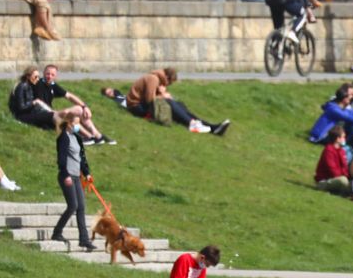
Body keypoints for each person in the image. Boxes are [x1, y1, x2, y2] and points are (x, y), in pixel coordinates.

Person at [101, 68, 230, 135]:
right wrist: (163, 95)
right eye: (170, 82)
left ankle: (211, 127)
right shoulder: (153, 79)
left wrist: (163, 95)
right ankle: (192, 124)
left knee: (179, 105)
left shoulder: (156, 79)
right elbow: (149, 99)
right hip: (137, 108)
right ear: (167, 78)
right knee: (170, 102)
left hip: (142, 105)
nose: (168, 85)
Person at [49, 112, 96, 253]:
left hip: (76, 177)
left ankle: (84, 240)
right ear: (69, 123)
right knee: (73, 206)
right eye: (76, 123)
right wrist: (65, 174)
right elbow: (61, 158)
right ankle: (57, 233)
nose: (78, 126)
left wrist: (86, 173)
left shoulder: (76, 138)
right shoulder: (63, 138)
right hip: (67, 176)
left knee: (81, 207)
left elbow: (80, 158)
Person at [35, 65, 112, 145]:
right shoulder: (39, 84)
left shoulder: (53, 85)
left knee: (79, 113)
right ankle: (92, 136)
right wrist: (53, 112)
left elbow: (69, 96)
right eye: (48, 74)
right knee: (78, 110)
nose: (49, 76)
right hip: (46, 115)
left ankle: (95, 136)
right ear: (43, 73)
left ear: (55, 76)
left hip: (51, 114)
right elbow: (39, 103)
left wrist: (85, 107)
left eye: (52, 74)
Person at [314, 126, 352, 195]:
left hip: (338, 178)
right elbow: (332, 169)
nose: (344, 139)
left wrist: (346, 176)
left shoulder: (341, 151)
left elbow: (344, 167)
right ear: (338, 139)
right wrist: (343, 177)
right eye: (343, 137)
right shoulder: (329, 150)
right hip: (325, 180)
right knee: (342, 180)